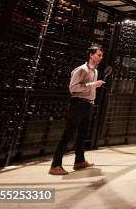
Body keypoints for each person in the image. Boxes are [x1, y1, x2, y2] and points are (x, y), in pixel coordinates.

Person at [49, 44, 105, 175]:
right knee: (68, 134)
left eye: (102, 55)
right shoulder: (81, 70)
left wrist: (92, 88)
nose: (101, 57)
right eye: (99, 55)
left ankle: (79, 161)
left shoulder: (95, 71)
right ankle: (55, 165)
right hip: (78, 104)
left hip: (88, 104)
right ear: (91, 55)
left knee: (82, 134)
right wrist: (93, 85)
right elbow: (73, 88)